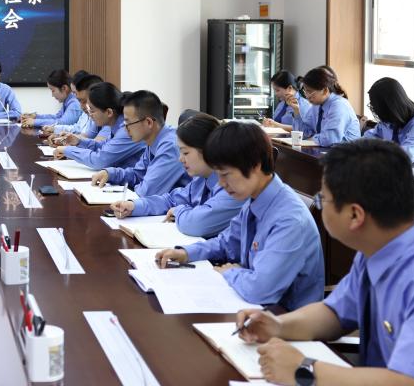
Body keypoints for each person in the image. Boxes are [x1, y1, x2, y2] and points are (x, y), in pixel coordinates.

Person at [236, 139, 414, 386]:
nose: (319, 204)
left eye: (322, 199)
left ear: (355, 215)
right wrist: (278, 326)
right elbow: (335, 313)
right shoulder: (376, 250)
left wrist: (304, 370)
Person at [156, 122, 324, 311]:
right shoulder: (255, 198)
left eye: (225, 174)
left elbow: (260, 289)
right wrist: (187, 253)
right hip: (252, 307)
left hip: (284, 318)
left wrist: (231, 272)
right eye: (218, 175)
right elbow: (227, 243)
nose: (221, 184)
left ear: (255, 165)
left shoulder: (289, 219)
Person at [109, 113, 245, 238]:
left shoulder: (232, 186)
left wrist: (179, 211)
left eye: (185, 153)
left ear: (208, 150)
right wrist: (133, 206)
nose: (180, 159)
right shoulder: (201, 178)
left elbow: (197, 224)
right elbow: (171, 200)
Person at [94, 90, 189, 200]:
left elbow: (147, 192)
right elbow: (138, 174)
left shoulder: (171, 146)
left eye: (128, 123)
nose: (125, 129)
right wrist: (111, 174)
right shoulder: (153, 140)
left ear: (148, 122)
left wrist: (138, 185)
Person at [363, 77, 414, 176]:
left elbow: (403, 157)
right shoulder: (389, 123)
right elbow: (366, 141)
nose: (374, 111)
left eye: (376, 107)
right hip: (402, 178)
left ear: (388, 107)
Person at [53, 83, 144, 170]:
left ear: (109, 112)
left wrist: (68, 150)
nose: (90, 114)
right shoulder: (116, 125)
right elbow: (104, 147)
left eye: (92, 110)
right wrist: (79, 141)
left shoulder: (127, 130)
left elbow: (99, 160)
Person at [291, 66, 360, 146]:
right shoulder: (316, 105)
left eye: (310, 92)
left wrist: (312, 139)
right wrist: (296, 111)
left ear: (325, 91)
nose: (307, 96)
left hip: (347, 152)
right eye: (305, 91)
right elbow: (305, 134)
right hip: (325, 150)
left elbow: (330, 139)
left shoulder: (339, 105)